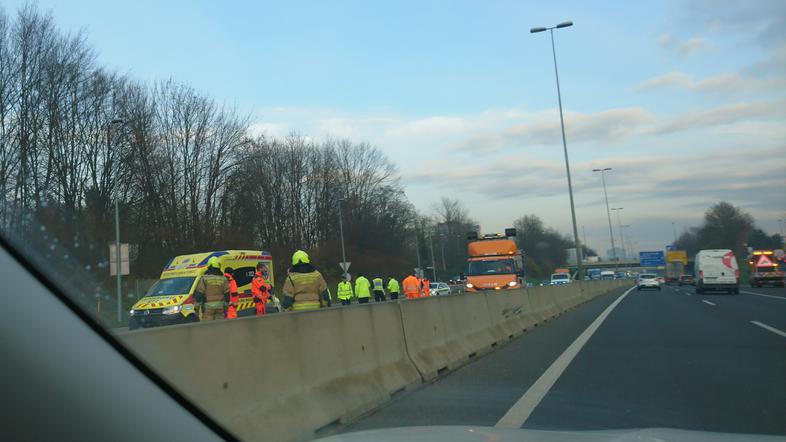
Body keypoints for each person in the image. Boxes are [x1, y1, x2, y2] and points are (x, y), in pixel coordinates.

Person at [195, 256, 229, 321]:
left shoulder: (204, 279)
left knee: (208, 328)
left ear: (209, 265)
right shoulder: (223, 279)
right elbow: (227, 295)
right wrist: (226, 309)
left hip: (207, 309)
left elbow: (199, 295)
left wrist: (196, 309)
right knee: (220, 326)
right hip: (220, 308)